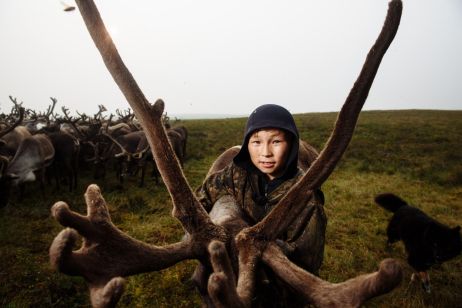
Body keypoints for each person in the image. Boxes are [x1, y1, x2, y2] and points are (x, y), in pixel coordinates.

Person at [194, 104, 327, 306]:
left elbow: (307, 262)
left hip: (277, 282)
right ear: (247, 144)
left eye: (276, 142)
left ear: (291, 144)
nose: (265, 153)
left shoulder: (306, 200)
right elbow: (202, 198)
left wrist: (260, 245)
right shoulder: (236, 173)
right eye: (256, 142)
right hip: (238, 264)